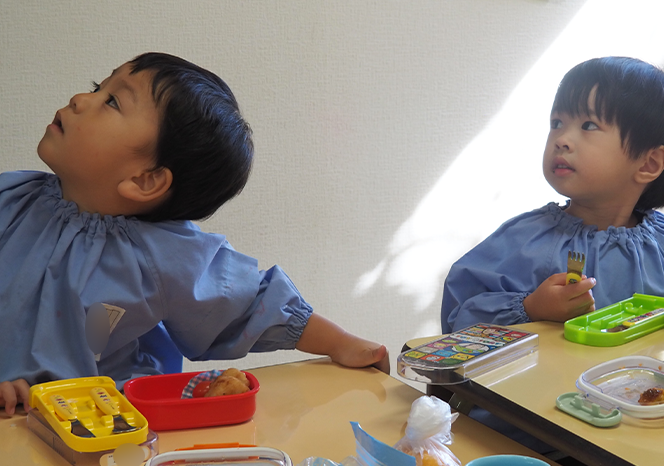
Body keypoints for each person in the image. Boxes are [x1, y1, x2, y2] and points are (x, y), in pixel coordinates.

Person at [0, 52, 389, 416]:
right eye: (97, 87)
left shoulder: (161, 255)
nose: (80, 99)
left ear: (146, 179)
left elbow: (253, 302)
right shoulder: (10, 197)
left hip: (100, 425)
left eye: (112, 102)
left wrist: (341, 343)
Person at [442, 56, 664, 334]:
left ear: (648, 163)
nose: (562, 139)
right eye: (557, 123)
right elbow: (459, 321)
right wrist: (531, 308)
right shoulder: (524, 240)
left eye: (588, 125)